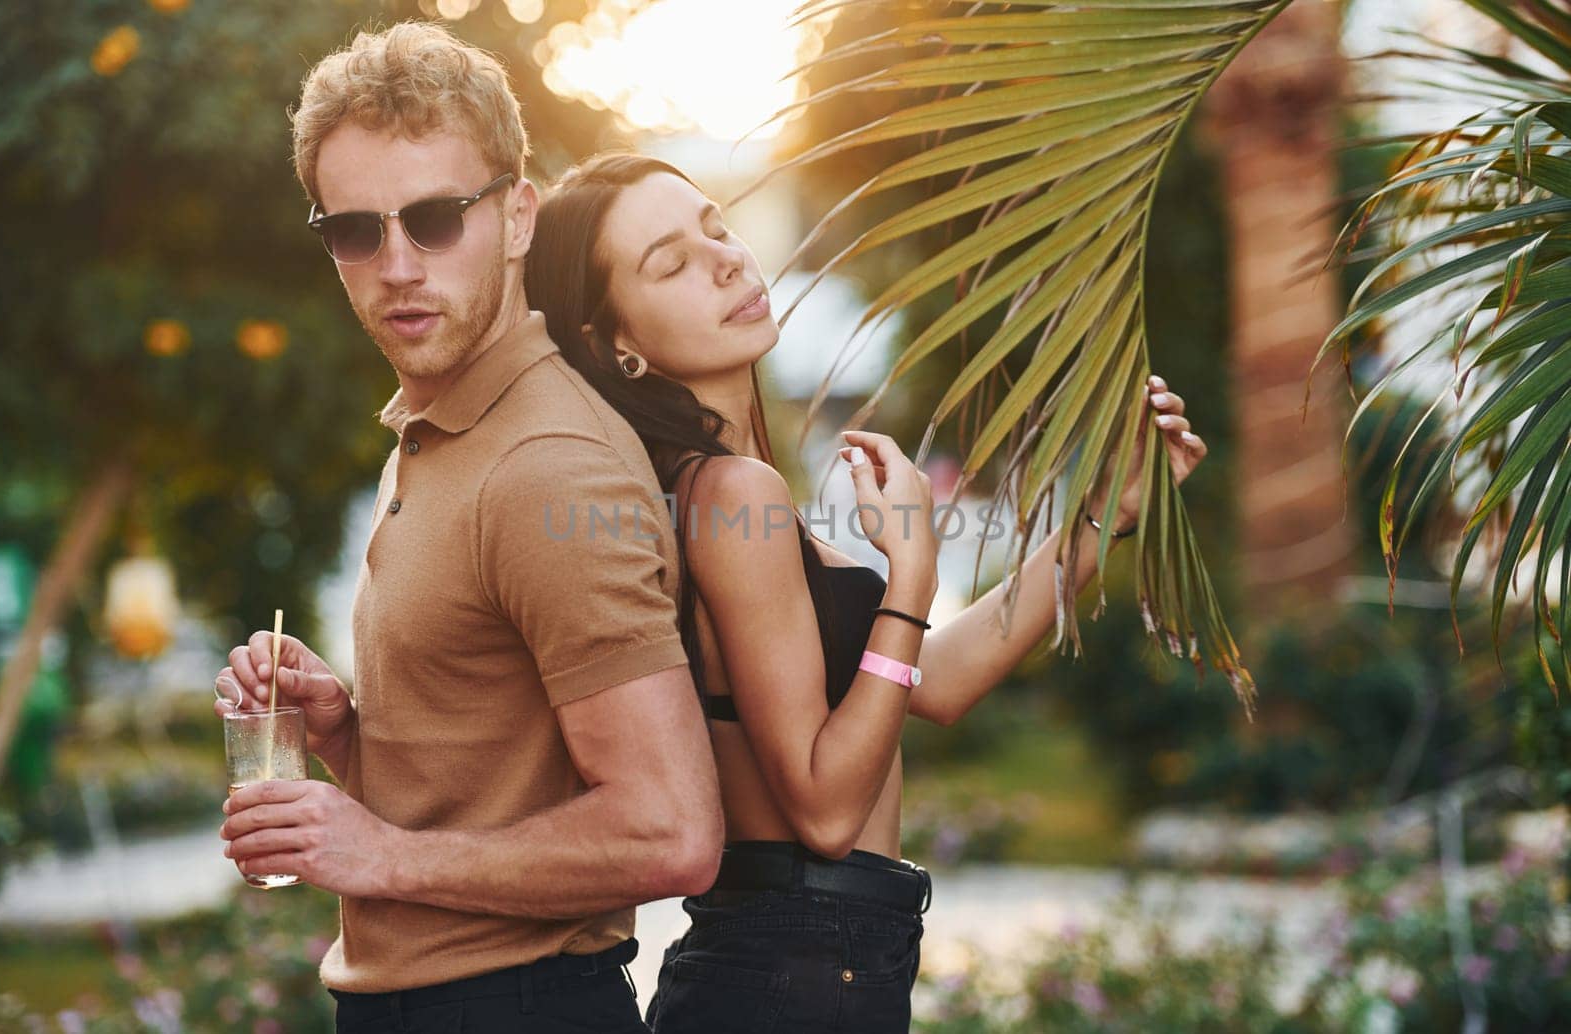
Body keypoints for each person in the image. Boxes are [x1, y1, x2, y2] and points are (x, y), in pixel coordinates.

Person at [523, 152, 1210, 1033]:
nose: (727, 258)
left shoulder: (719, 490)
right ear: (612, 341)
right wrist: (913, 571)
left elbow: (939, 684)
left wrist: (1104, 517)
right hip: (791, 969)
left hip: (805, 966)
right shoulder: (730, 493)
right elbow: (826, 806)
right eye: (671, 262)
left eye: (715, 226)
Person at [210, 27, 723, 1034]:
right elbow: (485, 782)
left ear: (519, 215)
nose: (396, 265)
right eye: (355, 230)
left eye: (436, 218)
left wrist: (382, 853)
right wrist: (343, 730)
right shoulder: (443, 433)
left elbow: (672, 828)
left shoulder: (544, 465)